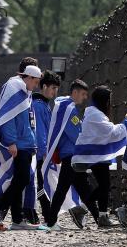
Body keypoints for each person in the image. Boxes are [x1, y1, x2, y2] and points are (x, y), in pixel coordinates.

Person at [0, 65, 42, 231]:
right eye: (36, 82)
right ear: (29, 77)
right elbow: (7, 119)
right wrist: (10, 142)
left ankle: (17, 220)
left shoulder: (24, 92)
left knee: (19, 180)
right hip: (19, 144)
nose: (36, 86)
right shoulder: (15, 90)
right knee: (21, 179)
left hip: (26, 144)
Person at [71, 86, 127, 227]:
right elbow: (111, 132)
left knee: (104, 185)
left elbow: (105, 132)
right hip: (95, 155)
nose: (109, 104)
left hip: (95, 154)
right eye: (108, 100)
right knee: (105, 185)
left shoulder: (94, 113)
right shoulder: (95, 115)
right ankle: (86, 211)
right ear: (104, 101)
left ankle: (97, 215)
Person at [42, 79, 100, 231]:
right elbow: (76, 134)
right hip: (72, 156)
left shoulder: (63, 106)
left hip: (71, 156)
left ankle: (100, 218)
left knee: (83, 190)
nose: (84, 97)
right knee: (66, 190)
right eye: (82, 94)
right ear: (74, 92)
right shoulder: (69, 110)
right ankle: (51, 222)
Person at [22, 70, 61, 224]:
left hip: (40, 152)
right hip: (39, 153)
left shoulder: (43, 104)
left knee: (40, 183)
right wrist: (44, 152)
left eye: (56, 89)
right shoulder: (39, 106)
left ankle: (41, 213)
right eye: (53, 88)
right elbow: (40, 133)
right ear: (44, 86)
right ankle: (46, 214)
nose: (55, 92)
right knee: (40, 184)